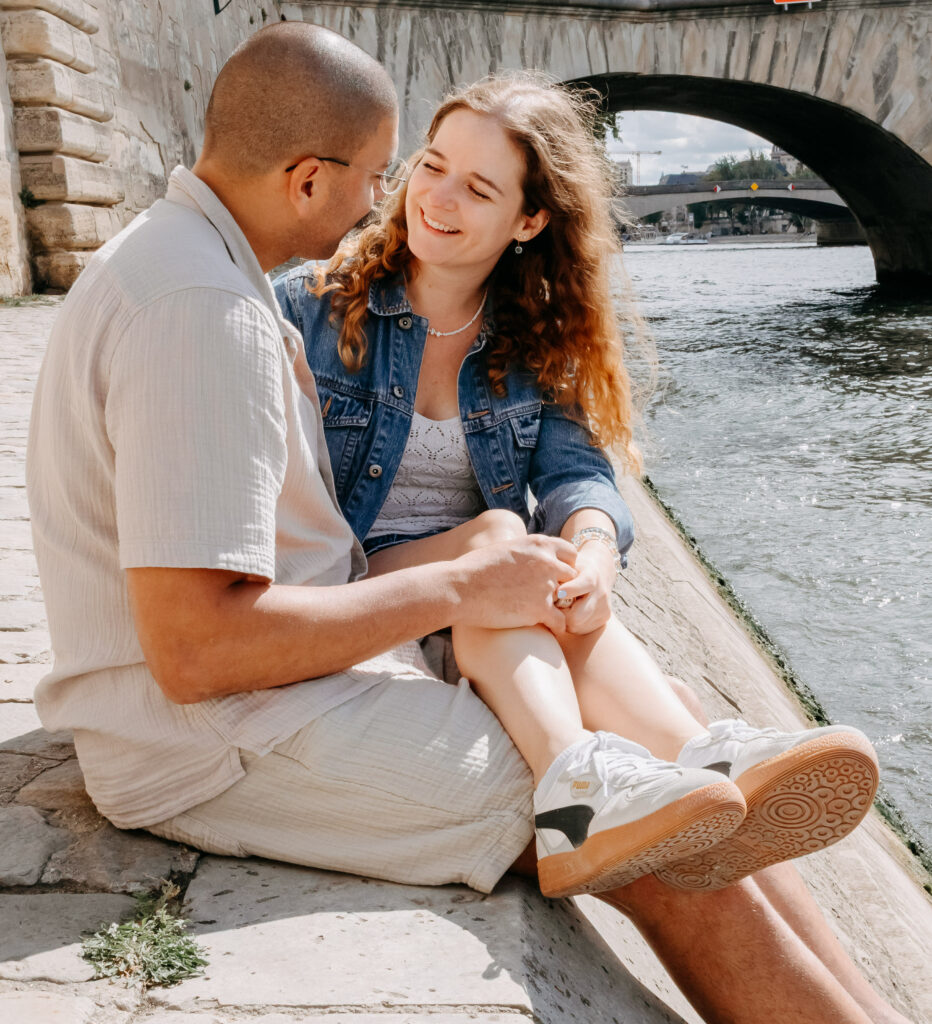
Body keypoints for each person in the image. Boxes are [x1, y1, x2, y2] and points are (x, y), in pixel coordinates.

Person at [24, 23, 910, 1024]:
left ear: (528, 222)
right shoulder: (222, 309)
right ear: (310, 179)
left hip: (285, 678)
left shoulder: (196, 275)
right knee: (659, 833)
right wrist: (457, 585)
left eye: (461, 183)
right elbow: (192, 651)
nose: (392, 198)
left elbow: (573, 474)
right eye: (386, 173)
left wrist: (575, 546)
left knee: (624, 710)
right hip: (208, 737)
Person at [274, 73, 879, 896]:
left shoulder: (532, 341)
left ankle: (690, 755)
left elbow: (576, 474)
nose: (437, 198)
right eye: (433, 166)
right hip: (347, 592)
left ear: (529, 221)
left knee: (537, 562)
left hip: (473, 607)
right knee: (502, 541)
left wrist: (594, 552)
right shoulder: (306, 307)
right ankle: (591, 771)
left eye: (478, 188)